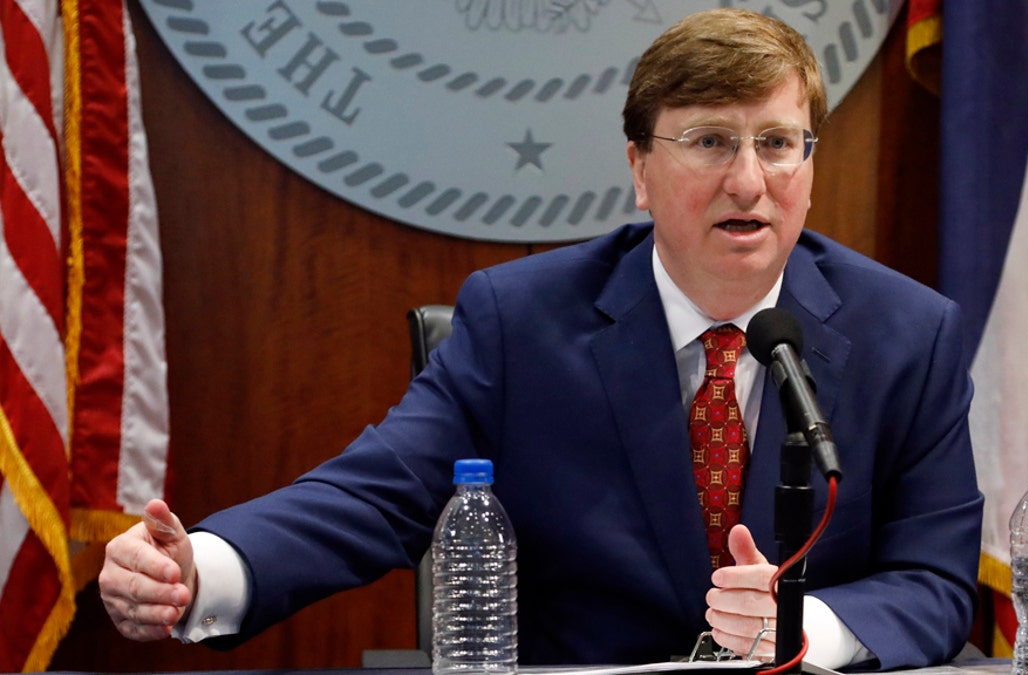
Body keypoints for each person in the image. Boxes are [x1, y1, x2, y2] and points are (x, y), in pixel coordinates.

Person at [99, 8, 983, 671]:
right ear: (639, 169)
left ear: (809, 166)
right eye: (711, 141)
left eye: (778, 143)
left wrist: (805, 628)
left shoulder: (911, 335)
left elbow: (936, 581)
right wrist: (203, 567)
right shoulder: (520, 320)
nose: (750, 179)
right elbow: (378, 492)